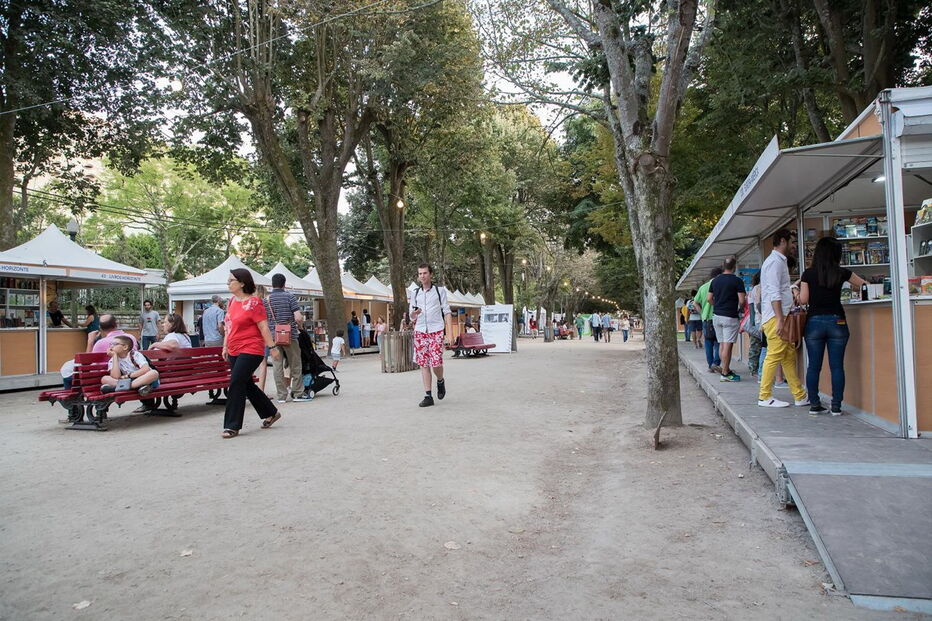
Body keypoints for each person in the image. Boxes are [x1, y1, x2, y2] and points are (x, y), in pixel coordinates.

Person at [799, 237, 867, 415]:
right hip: (838, 320)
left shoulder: (808, 274)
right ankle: (836, 406)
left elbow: (803, 300)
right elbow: (865, 285)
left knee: (814, 366)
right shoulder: (842, 272)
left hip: (814, 322)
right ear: (836, 253)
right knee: (837, 366)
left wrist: (795, 291)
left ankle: (815, 404)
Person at [221, 268, 281, 439]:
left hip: (251, 348)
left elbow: (263, 326)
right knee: (246, 384)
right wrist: (225, 346)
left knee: (236, 382)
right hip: (234, 348)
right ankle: (271, 412)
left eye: (231, 280)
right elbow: (229, 326)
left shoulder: (255, 303)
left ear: (242, 283)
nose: (228, 283)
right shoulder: (232, 301)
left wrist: (273, 347)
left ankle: (232, 425)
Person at [758, 229, 807, 408]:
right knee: (775, 355)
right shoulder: (775, 263)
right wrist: (779, 318)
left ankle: (799, 395)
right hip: (777, 317)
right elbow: (773, 292)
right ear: (783, 241)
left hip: (778, 316)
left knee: (787, 356)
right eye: (792, 242)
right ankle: (764, 396)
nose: (794, 246)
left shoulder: (776, 262)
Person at [410, 263, 453, 408]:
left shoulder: (439, 291)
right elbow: (411, 316)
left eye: (425, 273)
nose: (422, 276)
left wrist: (450, 334)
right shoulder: (415, 293)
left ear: (430, 274)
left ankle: (440, 380)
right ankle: (428, 395)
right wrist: (414, 314)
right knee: (424, 364)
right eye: (420, 274)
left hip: (436, 330)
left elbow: (446, 311)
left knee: (437, 362)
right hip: (420, 331)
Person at [266, 273, 308, 403]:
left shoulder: (266, 300)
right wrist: (299, 326)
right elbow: (298, 317)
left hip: (273, 337)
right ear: (284, 284)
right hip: (290, 336)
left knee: (277, 366)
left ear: (272, 284)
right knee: (295, 364)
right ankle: (297, 393)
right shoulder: (290, 297)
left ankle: (281, 396)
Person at [708, 256, 746, 382]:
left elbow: (709, 299)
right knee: (728, 346)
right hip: (730, 316)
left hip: (716, 316)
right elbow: (741, 300)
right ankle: (725, 373)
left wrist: (717, 305)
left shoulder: (715, 281)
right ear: (734, 267)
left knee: (722, 344)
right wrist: (739, 308)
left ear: (723, 266)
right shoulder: (737, 281)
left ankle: (726, 369)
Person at [693, 268, 722, 373]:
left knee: (708, 342)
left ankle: (710, 365)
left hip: (706, 319)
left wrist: (702, 312)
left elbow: (695, 302)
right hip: (718, 316)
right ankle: (716, 363)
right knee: (719, 341)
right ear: (719, 275)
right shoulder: (720, 286)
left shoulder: (703, 287)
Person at [747, 273, 763, 378]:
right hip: (759, 321)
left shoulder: (752, 290)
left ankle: (753, 370)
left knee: (754, 347)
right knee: (760, 348)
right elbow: (753, 309)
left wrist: (752, 325)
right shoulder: (758, 289)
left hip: (755, 322)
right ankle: (756, 371)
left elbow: (751, 309)